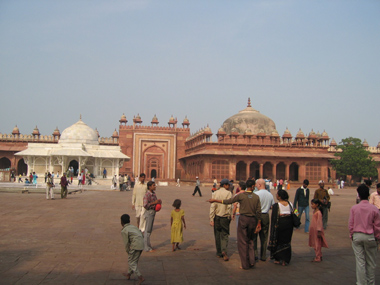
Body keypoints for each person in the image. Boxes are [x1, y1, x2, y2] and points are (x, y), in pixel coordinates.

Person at [208, 179, 261, 269]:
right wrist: (258, 223)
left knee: (243, 242)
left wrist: (215, 200)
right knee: (251, 241)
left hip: (243, 219)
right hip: (253, 220)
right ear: (252, 187)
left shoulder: (241, 196)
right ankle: (252, 261)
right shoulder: (256, 197)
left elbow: (228, 201)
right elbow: (259, 211)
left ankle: (245, 264)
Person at [349, 184, 380, 285]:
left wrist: (352, 236)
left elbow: (351, 224)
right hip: (370, 236)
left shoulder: (354, 208)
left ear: (359, 195)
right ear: (368, 195)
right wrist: (377, 238)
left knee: (360, 262)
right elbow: (377, 226)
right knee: (371, 263)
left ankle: (361, 283)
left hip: (357, 236)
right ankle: (371, 283)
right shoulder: (374, 209)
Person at [208, 179, 233, 262]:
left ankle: (219, 252)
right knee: (225, 235)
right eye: (228, 185)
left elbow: (213, 206)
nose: (229, 186)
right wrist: (230, 215)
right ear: (225, 185)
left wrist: (211, 218)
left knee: (217, 234)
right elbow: (229, 206)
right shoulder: (229, 193)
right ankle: (224, 250)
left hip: (217, 217)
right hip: (225, 217)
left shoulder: (215, 193)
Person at [268, 189, 295, 266]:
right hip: (289, 225)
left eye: (277, 195)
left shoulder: (277, 205)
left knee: (278, 241)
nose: (276, 196)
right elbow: (296, 212)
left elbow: (274, 218)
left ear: (279, 197)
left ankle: (278, 258)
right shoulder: (290, 204)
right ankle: (284, 260)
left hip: (280, 224)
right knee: (287, 242)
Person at [253, 178, 274, 262]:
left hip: (257, 215)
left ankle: (255, 255)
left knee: (254, 236)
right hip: (265, 215)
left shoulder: (256, 194)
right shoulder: (270, 195)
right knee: (264, 237)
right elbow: (272, 206)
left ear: (260, 185)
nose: (256, 186)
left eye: (257, 184)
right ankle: (263, 255)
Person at [120, 214, 145, 284]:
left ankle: (140, 277)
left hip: (135, 245)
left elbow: (126, 244)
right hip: (141, 243)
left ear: (121, 222)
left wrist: (128, 252)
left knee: (131, 261)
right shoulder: (133, 227)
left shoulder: (124, 230)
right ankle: (128, 274)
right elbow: (140, 233)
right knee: (134, 260)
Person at [143, 181, 162, 252]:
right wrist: (154, 203)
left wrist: (158, 202)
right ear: (149, 187)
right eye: (153, 185)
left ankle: (148, 245)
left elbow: (155, 202)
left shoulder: (153, 194)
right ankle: (146, 248)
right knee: (147, 231)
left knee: (149, 230)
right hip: (149, 212)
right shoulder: (147, 194)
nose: (155, 186)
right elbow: (145, 205)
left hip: (152, 212)